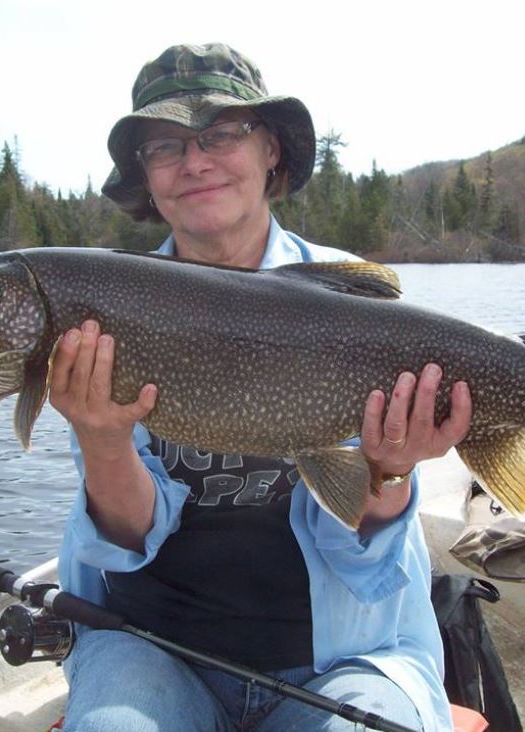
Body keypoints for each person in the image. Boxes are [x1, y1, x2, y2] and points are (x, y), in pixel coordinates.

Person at [50, 43, 473, 732]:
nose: (195, 161)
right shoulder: (106, 306)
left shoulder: (356, 303)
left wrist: (390, 467)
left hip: (346, 656)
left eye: (221, 134)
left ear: (270, 150)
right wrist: (101, 439)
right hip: (151, 648)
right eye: (165, 146)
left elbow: (366, 546)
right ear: (146, 178)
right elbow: (128, 538)